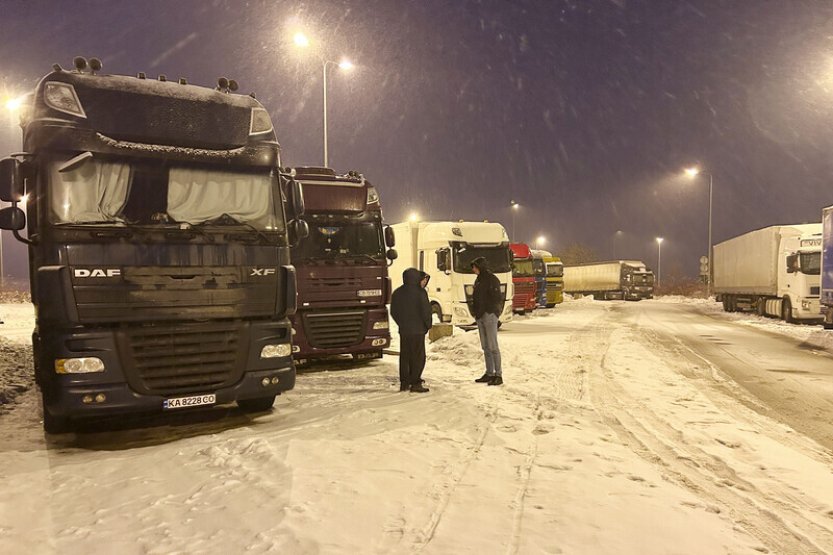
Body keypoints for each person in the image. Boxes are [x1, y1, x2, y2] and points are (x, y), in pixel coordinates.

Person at [390, 268, 432, 393]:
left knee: (405, 356)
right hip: (418, 330)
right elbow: (426, 311)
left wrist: (401, 323)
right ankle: (415, 382)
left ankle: (404, 382)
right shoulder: (420, 293)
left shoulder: (397, 292)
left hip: (404, 330)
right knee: (418, 357)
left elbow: (393, 311)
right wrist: (427, 325)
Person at [471, 257, 504, 385]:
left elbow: (497, 298)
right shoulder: (478, 280)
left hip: (489, 315)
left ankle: (498, 374)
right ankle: (489, 373)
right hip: (480, 316)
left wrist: (493, 312)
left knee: (493, 346)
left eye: (474, 267)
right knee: (485, 346)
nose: (473, 269)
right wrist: (475, 312)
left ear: (480, 267)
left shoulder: (492, 279)